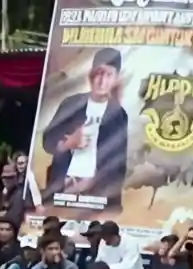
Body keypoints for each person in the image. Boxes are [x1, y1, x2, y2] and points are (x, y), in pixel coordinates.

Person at [40, 47, 128, 209]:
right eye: (98, 74)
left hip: (96, 194)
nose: (102, 81)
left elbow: (119, 162)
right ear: (91, 75)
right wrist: (68, 144)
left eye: (108, 75)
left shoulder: (118, 114)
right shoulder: (72, 104)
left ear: (116, 79)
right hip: (63, 188)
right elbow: (47, 141)